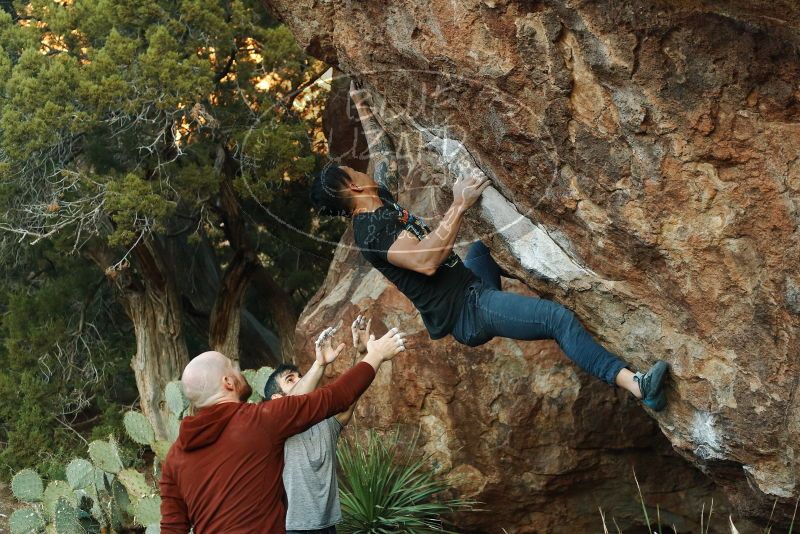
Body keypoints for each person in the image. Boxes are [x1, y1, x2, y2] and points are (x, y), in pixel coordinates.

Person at [308, 82, 668, 411]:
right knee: (556, 319)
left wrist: (361, 103)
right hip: (469, 313)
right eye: (352, 171)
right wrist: (458, 204)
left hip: (471, 283)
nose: (360, 169)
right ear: (353, 187)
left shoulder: (377, 199)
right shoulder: (371, 233)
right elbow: (427, 260)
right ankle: (637, 386)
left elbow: (384, 154)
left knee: (491, 243)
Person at [158, 324, 407, 534]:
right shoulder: (259, 421)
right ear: (228, 382)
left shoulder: (174, 458)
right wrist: (375, 356)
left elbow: (172, 528)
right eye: (233, 367)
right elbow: (335, 396)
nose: (238, 370)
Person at [264, 315, 372, 534]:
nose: (300, 380)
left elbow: (350, 396)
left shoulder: (325, 423)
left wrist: (364, 353)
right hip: (291, 529)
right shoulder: (274, 431)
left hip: (328, 526)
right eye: (290, 379)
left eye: (299, 376)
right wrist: (319, 364)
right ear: (276, 400)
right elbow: (291, 405)